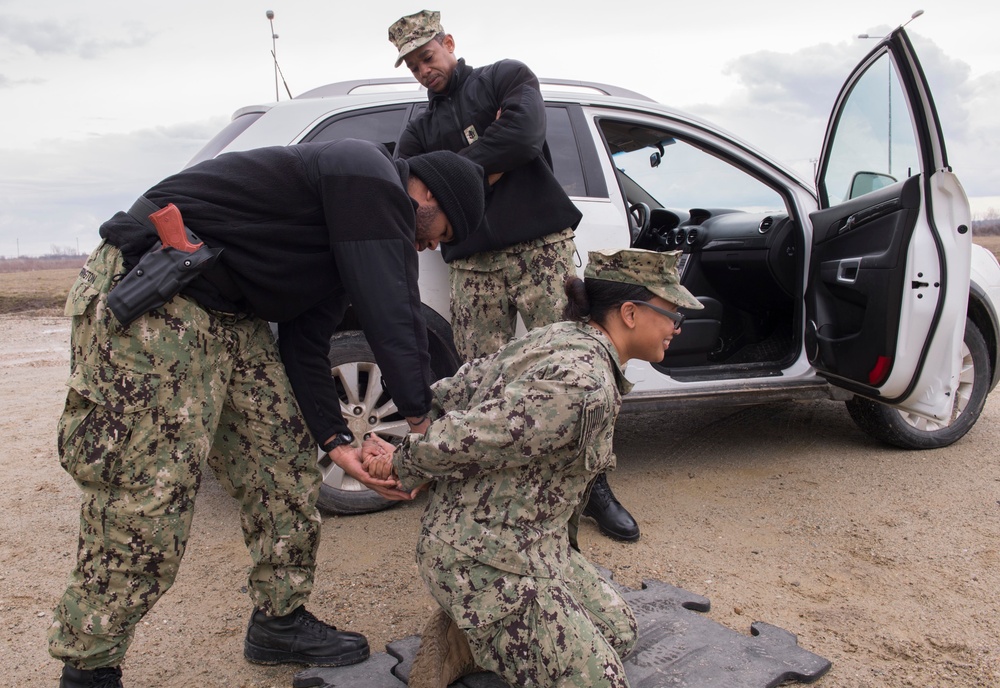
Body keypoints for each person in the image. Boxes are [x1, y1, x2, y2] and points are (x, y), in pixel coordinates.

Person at [48, 139, 485, 688]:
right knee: (149, 490)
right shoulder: (368, 174)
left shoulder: (341, 235)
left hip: (234, 316)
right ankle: (89, 666)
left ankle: (279, 621)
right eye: (437, 234)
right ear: (425, 194)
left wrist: (335, 440)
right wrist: (424, 429)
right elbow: (393, 311)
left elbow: (305, 344)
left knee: (282, 462)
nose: (425, 248)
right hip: (163, 293)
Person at [363, 248, 704, 688]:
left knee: (619, 633)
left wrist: (405, 434)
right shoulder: (585, 384)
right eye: (672, 314)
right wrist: (401, 461)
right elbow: (480, 431)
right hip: (483, 557)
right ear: (630, 313)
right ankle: (472, 627)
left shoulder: (564, 336)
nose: (676, 328)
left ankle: (472, 638)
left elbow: (461, 386)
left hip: (533, 541)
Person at [387, 9, 641, 543]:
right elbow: (410, 181)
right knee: (481, 380)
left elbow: (524, 135)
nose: (422, 70)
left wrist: (454, 168)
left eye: (427, 57)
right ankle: (490, 489)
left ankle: (595, 488)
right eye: (411, 65)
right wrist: (488, 162)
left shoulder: (504, 77)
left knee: (575, 366)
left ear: (449, 43)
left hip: (539, 251)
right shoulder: (417, 129)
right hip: (473, 266)